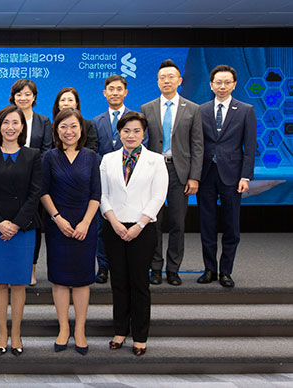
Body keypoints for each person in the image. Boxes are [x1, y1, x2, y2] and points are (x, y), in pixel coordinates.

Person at [100, 111, 168, 357]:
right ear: (119, 132)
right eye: (126, 130)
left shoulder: (156, 160)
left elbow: (158, 196)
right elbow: (102, 194)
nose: (131, 135)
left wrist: (139, 224)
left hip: (143, 228)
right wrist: (115, 222)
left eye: (136, 131)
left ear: (144, 133)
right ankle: (120, 330)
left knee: (139, 282)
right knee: (118, 281)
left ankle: (140, 335)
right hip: (114, 226)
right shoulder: (108, 159)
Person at [0, 105, 41, 356]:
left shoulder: (33, 155)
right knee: (0, 283)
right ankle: (2, 332)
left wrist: (15, 223)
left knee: (18, 284)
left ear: (22, 127)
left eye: (15, 123)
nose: (10, 127)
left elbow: (35, 193)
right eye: (6, 123)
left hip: (23, 229)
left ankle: (16, 333)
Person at [40, 108, 100, 356]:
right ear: (57, 130)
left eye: (73, 126)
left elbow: (96, 194)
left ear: (81, 130)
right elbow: (43, 192)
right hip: (58, 225)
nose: (69, 131)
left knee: (83, 279)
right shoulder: (49, 157)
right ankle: (64, 328)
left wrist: (86, 222)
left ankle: (80, 331)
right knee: (61, 280)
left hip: (85, 224)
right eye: (63, 126)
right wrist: (57, 219)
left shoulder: (92, 157)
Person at [142, 59, 204, 286]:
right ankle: (155, 267)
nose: (166, 81)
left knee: (178, 222)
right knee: (153, 221)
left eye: (171, 77)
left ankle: (173, 269)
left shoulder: (193, 109)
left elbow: (198, 145)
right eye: (162, 78)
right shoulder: (147, 108)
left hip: (181, 172)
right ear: (157, 82)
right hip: (155, 170)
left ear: (180, 80)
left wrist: (194, 176)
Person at [196, 65, 256, 288]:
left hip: (232, 176)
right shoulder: (200, 110)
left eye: (226, 82)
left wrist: (245, 177)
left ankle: (226, 272)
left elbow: (249, 147)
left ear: (234, 84)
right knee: (207, 224)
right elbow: (197, 144)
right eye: (218, 82)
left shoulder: (246, 110)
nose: (222, 86)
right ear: (211, 85)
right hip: (205, 174)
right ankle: (209, 269)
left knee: (231, 226)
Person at [9, 78, 52, 286]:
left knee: (33, 225)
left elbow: (46, 150)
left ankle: (32, 269)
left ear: (34, 97)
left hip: (35, 181)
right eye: (19, 94)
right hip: (9, 181)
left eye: (27, 94)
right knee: (10, 224)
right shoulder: (7, 118)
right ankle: (11, 267)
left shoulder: (43, 121)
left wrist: (30, 172)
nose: (23, 98)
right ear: (13, 97)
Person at [91, 75, 133, 284]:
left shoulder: (135, 119)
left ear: (125, 92)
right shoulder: (96, 121)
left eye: (119, 89)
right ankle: (103, 266)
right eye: (111, 89)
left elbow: (141, 145)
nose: (115, 92)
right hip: (103, 180)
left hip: (130, 181)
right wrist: (108, 167)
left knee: (127, 221)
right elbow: (94, 150)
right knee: (102, 226)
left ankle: (124, 265)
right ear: (104, 93)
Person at [52, 87, 99, 153]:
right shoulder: (52, 126)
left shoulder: (87, 125)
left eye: (70, 100)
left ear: (76, 104)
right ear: (58, 105)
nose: (66, 103)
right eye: (62, 100)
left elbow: (92, 148)